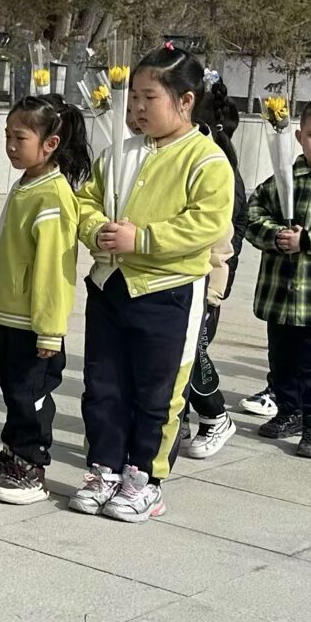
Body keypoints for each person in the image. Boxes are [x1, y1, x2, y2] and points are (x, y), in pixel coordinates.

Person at [71, 45, 234, 522]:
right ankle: (104, 468)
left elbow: (205, 224)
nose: (138, 108)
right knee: (103, 384)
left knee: (158, 392)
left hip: (168, 292)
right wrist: (95, 229)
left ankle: (145, 478)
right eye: (135, 97)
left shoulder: (207, 160)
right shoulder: (119, 153)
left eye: (150, 98)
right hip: (110, 285)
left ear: (185, 101)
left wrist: (141, 239)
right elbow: (85, 201)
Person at [0, 94, 89, 504]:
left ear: (50, 144)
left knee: (30, 395)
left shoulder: (52, 195)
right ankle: (13, 454)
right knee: (14, 391)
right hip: (11, 315)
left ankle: (32, 466)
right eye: (7, 135)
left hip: (35, 323)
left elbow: (55, 270)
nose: (10, 145)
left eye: (19, 138)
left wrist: (50, 331)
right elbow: (20, 247)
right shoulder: (26, 184)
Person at [243, 94, 311, 460]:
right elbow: (252, 215)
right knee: (281, 359)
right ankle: (288, 411)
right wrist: (276, 237)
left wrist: (307, 240)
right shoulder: (283, 179)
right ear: (299, 137)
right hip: (280, 297)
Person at [179, 79, 245, 459]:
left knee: (192, 352)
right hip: (179, 279)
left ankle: (215, 414)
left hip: (205, 284)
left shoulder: (220, 172)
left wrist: (214, 291)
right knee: (176, 356)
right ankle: (179, 419)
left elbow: (225, 243)